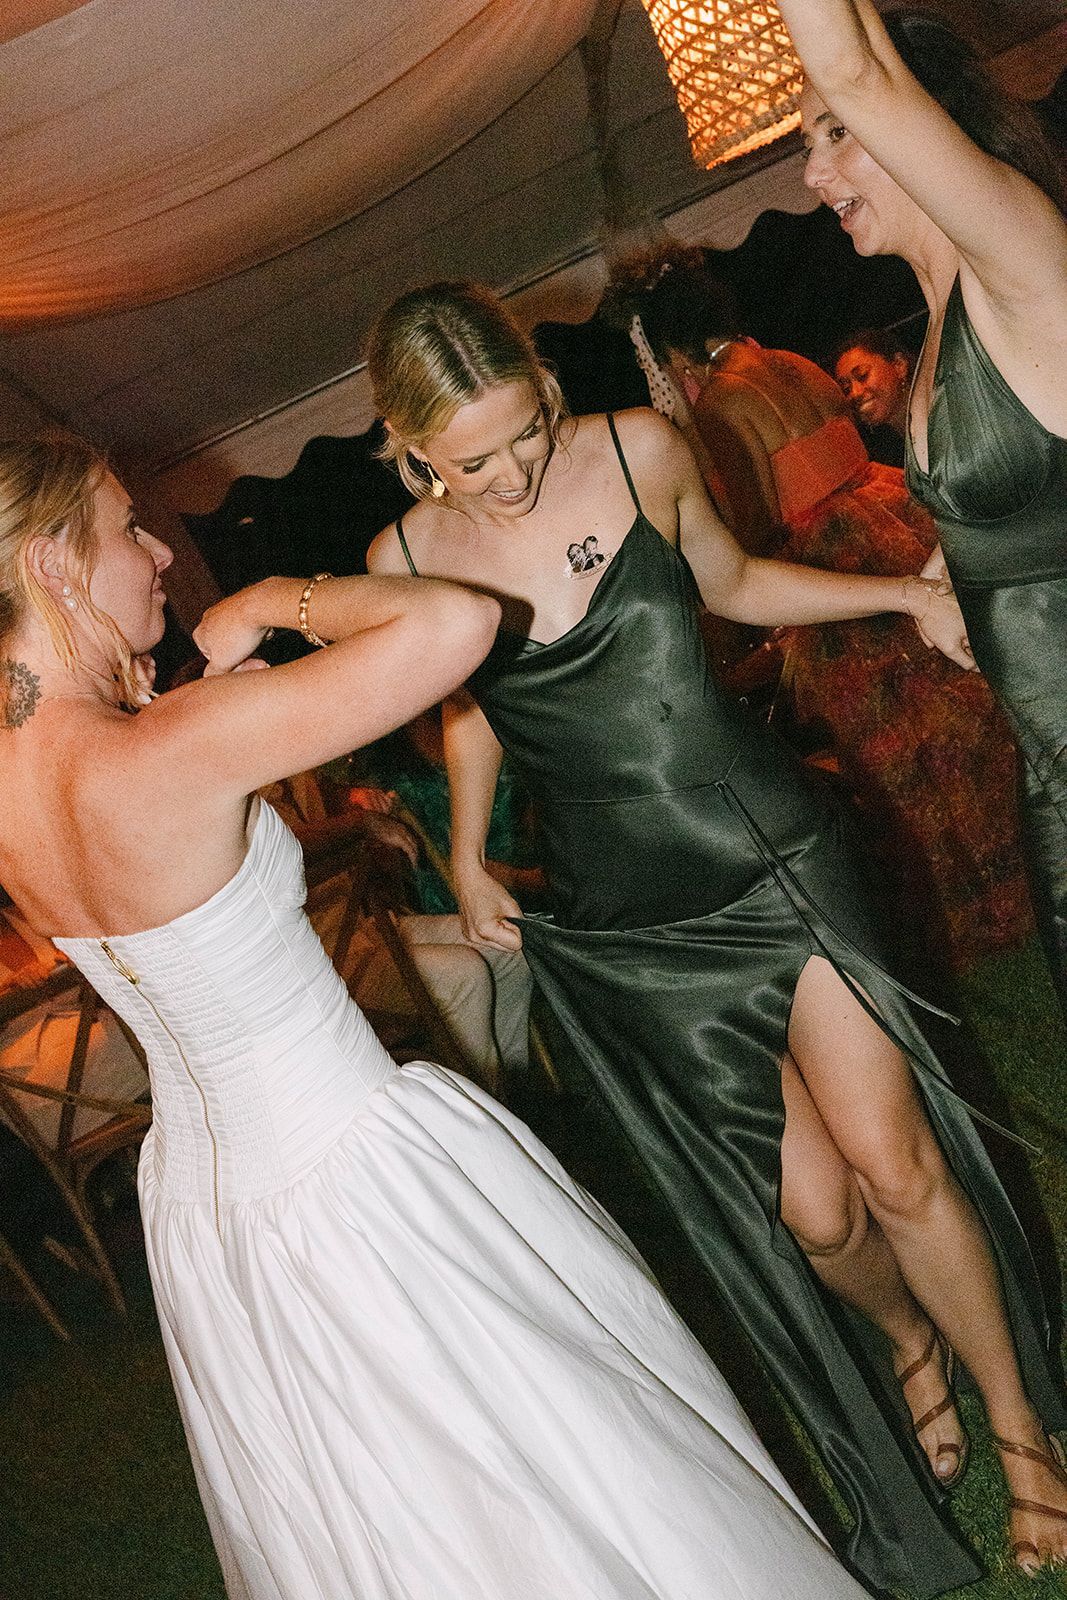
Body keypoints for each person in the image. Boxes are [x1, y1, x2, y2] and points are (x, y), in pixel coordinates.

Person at [0, 435, 877, 1600]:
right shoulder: (170, 746)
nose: (161, 551)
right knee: (547, 1455)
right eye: (127, 528)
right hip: (354, 1165)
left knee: (388, 1504)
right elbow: (458, 623)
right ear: (56, 563)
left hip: (206, 1214)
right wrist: (273, 598)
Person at [365, 279, 1067, 1595]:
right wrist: (464, 853)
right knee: (810, 1214)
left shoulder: (638, 448)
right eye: (471, 459)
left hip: (773, 856)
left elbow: (732, 581)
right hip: (631, 917)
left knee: (895, 1164)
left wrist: (899, 601)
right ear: (407, 450)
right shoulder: (401, 563)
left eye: (524, 432)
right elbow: (463, 707)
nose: (510, 473)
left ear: (546, 391)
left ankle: (1023, 1433)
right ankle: (905, 1341)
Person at [607, 248, 1032, 970]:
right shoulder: (793, 365)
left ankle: (969, 912)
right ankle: (1026, 870)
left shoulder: (720, 404)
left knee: (897, 759)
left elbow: (751, 527)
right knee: (968, 714)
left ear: (664, 343)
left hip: (833, 567)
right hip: (887, 520)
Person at [783, 1, 1067, 1065]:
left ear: (921, 119)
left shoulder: (1019, 259)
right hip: (1045, 767)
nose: (811, 178)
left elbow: (853, 65)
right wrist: (954, 576)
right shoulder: (946, 310)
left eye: (832, 134)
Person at [833, 327, 915, 465]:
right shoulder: (879, 453)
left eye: (862, 376)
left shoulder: (944, 410)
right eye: (846, 388)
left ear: (899, 365)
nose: (855, 393)